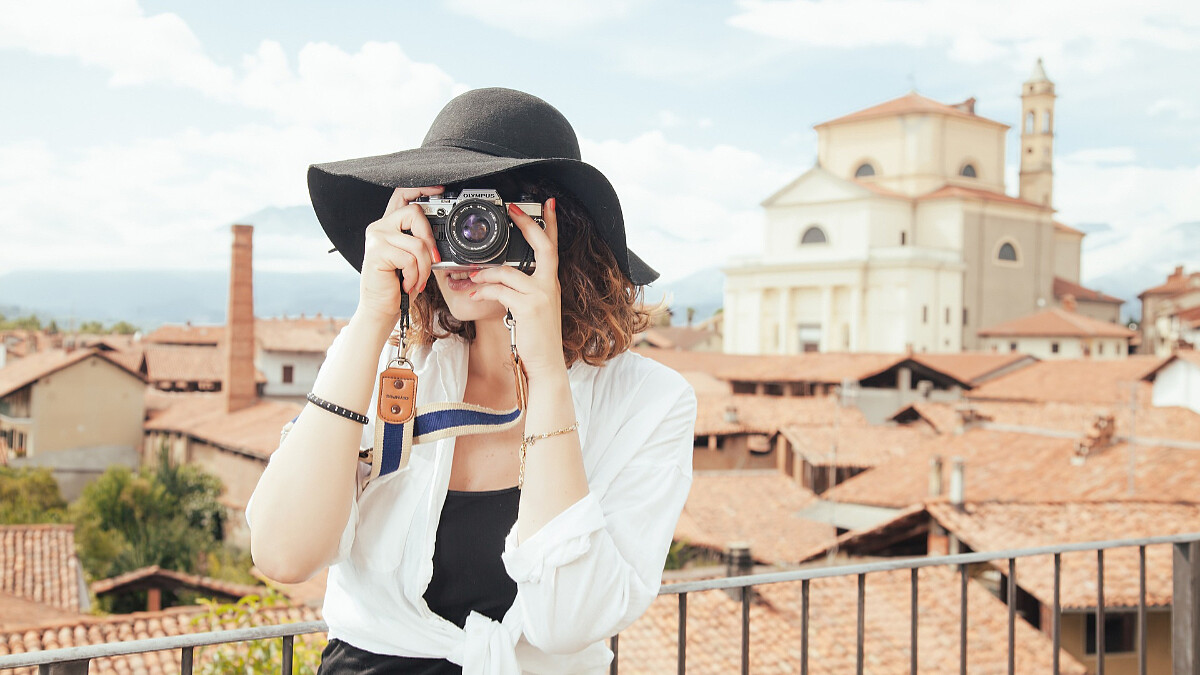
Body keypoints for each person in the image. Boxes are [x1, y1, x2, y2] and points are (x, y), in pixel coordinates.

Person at [246, 88, 696, 674]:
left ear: (558, 230)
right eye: (444, 212)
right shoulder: (388, 368)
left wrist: (545, 370)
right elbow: (283, 554)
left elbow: (568, 625)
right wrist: (372, 317)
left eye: (490, 215)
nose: (464, 238)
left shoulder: (650, 403)